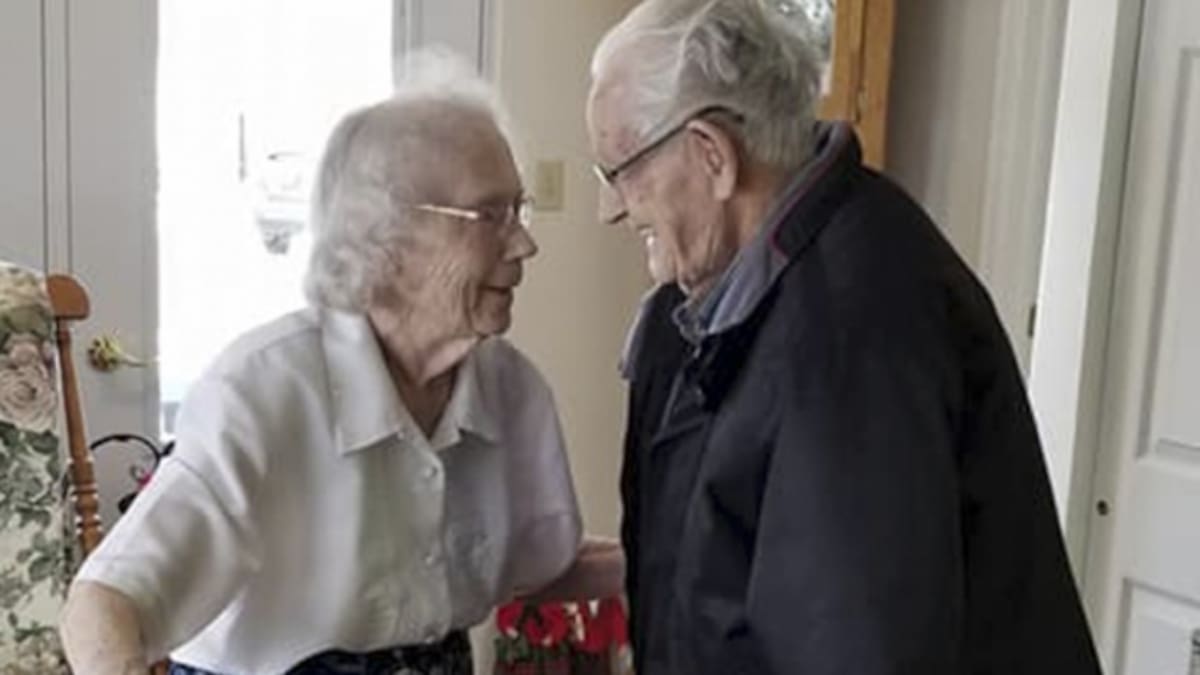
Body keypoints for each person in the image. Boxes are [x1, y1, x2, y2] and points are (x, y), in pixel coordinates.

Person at [59, 50, 622, 675]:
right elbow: (104, 603)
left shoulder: (512, 390)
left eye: (519, 211)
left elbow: (534, 560)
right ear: (384, 234)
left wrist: (686, 553)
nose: (524, 243)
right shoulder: (263, 390)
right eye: (489, 215)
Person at [586, 1, 1102, 673]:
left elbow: (856, 647)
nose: (611, 208)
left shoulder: (851, 328)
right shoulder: (749, 290)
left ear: (712, 155)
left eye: (620, 171)